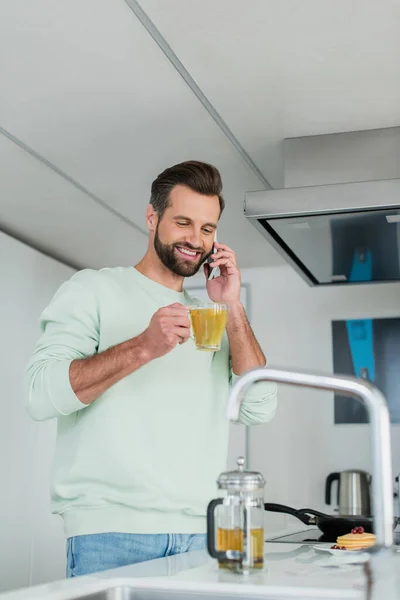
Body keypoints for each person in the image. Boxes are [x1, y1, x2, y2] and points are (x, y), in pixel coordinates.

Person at [26, 161, 277, 578]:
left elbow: (261, 405)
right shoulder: (93, 289)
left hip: (203, 534)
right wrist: (144, 346)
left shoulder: (211, 316)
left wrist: (232, 305)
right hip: (112, 534)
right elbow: (39, 394)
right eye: (183, 222)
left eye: (207, 229)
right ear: (151, 217)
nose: (195, 240)